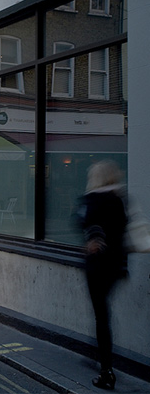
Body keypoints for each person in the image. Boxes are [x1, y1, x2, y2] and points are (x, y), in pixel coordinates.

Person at [76, 160, 127, 390]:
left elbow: (80, 222)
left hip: (97, 266)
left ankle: (106, 370)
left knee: (101, 316)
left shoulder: (90, 199)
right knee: (103, 313)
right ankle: (99, 354)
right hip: (116, 266)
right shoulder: (119, 200)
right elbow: (124, 229)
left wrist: (94, 237)